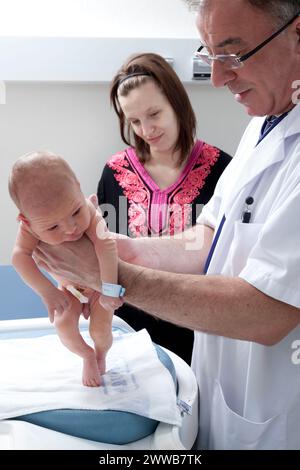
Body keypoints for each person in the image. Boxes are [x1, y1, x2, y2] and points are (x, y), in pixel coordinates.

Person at [32, 0, 300, 449]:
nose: (217, 78)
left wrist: (115, 277)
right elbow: (209, 237)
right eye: (210, 56)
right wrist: (125, 249)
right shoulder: (264, 122)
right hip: (220, 394)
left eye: (234, 54)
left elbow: (269, 310)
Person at [97, 52, 231, 363]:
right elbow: (107, 257)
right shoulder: (116, 173)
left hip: (199, 333)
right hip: (130, 336)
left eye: (154, 113)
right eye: (134, 121)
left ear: (176, 103)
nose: (146, 130)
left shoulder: (222, 170)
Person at [9, 151, 125, 387]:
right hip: (68, 289)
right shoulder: (29, 229)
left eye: (75, 211)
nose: (71, 228)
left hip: (98, 286)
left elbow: (106, 244)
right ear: (26, 220)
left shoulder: (91, 213)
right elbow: (19, 257)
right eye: (53, 226)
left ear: (78, 190)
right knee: (63, 325)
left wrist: (110, 289)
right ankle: (87, 355)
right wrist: (47, 292)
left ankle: (101, 352)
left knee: (101, 330)